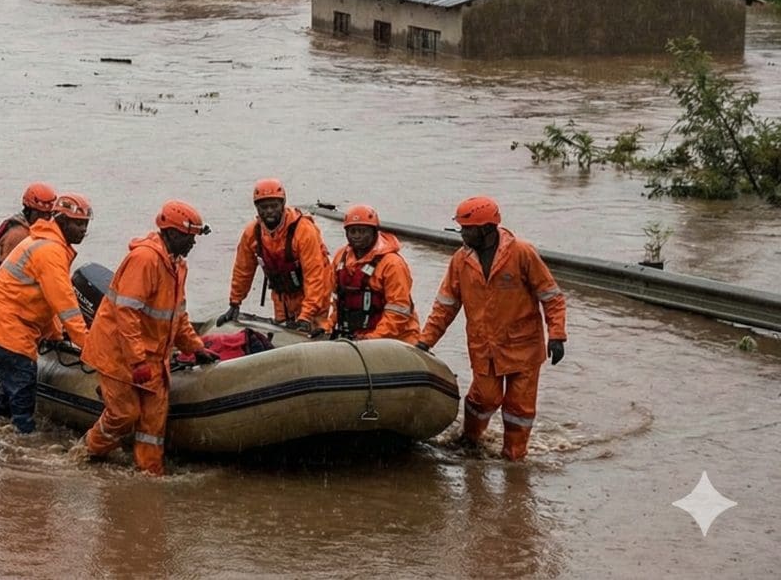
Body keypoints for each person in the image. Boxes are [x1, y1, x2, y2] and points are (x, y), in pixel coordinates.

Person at [416, 196, 568, 461]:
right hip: (484, 348)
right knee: (483, 399)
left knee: (519, 409)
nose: (463, 234)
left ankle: (514, 458)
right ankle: (470, 441)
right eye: (462, 228)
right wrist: (424, 342)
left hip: (524, 348)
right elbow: (445, 306)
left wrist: (557, 335)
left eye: (468, 229)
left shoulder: (522, 253)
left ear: (486, 229)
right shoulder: (460, 261)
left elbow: (551, 296)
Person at [79, 200, 220, 474]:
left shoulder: (177, 266)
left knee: (153, 426)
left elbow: (177, 315)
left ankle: (150, 474)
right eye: (189, 237)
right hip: (120, 355)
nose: (193, 243)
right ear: (173, 233)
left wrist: (195, 347)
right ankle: (87, 451)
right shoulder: (145, 259)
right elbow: (126, 313)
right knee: (125, 414)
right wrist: (137, 361)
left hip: (154, 358)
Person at [0, 193, 94, 434]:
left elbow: (45, 300)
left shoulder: (46, 243)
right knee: (23, 387)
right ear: (61, 221)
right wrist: (89, 347)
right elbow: (66, 305)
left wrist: (56, 335)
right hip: (7, 326)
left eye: (85, 225)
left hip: (0, 322)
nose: (83, 230)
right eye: (78, 224)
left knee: (10, 388)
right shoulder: (50, 251)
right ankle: (23, 440)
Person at [224, 178, 333, 335]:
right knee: (282, 332)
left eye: (274, 206)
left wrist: (306, 315)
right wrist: (235, 302)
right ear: (257, 208)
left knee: (313, 331)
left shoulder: (304, 231)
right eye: (264, 207)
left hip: (314, 291)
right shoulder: (252, 233)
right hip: (282, 294)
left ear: (283, 205)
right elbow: (243, 270)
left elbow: (315, 276)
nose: (269, 211)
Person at [330, 205, 420, 342]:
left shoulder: (392, 264)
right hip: (357, 338)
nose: (357, 236)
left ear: (374, 232)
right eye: (352, 231)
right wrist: (327, 327)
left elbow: (398, 312)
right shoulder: (340, 258)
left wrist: (372, 338)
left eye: (362, 231)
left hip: (396, 340)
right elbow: (336, 303)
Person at [0, 182, 58, 293]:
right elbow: (9, 275)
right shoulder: (18, 235)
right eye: (41, 214)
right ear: (29, 211)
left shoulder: (26, 228)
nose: (46, 219)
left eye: (49, 215)